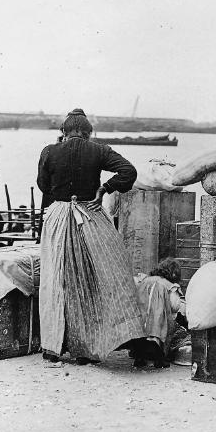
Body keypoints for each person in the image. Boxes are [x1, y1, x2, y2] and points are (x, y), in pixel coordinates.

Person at [36, 108, 145, 364]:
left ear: (64, 131)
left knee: (56, 281)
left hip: (59, 218)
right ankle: (86, 348)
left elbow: (43, 186)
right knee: (91, 281)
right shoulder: (99, 150)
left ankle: (53, 347)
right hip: (90, 214)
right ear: (88, 133)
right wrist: (104, 189)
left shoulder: (49, 151)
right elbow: (129, 172)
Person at [133, 258, 186, 368]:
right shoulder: (170, 286)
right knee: (162, 332)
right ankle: (160, 360)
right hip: (158, 320)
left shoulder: (144, 281)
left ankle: (139, 359)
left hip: (141, 319)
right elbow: (174, 306)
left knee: (141, 337)